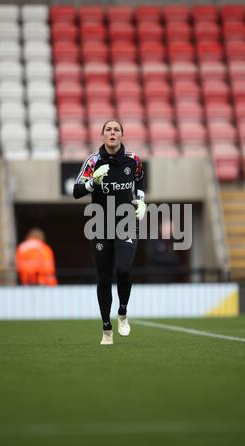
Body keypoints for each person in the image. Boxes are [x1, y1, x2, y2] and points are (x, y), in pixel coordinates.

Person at [73, 119, 146, 345]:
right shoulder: (93, 162)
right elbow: (76, 191)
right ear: (102, 135)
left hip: (125, 221)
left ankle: (122, 312)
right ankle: (106, 329)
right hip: (100, 223)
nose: (112, 133)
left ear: (122, 135)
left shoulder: (133, 160)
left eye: (116, 130)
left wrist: (141, 200)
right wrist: (92, 183)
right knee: (104, 276)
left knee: (123, 269)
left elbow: (139, 181)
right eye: (108, 130)